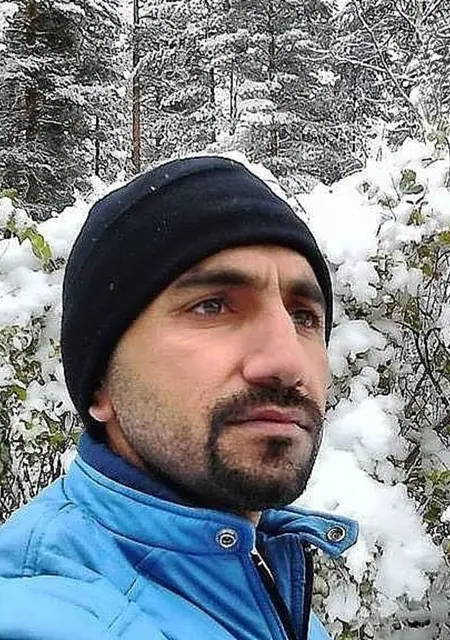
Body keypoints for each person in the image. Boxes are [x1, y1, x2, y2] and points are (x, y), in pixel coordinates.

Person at [0, 157, 357, 639]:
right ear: (101, 384)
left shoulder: (258, 572)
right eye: (212, 306)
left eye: (304, 317)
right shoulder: (43, 612)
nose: (288, 361)